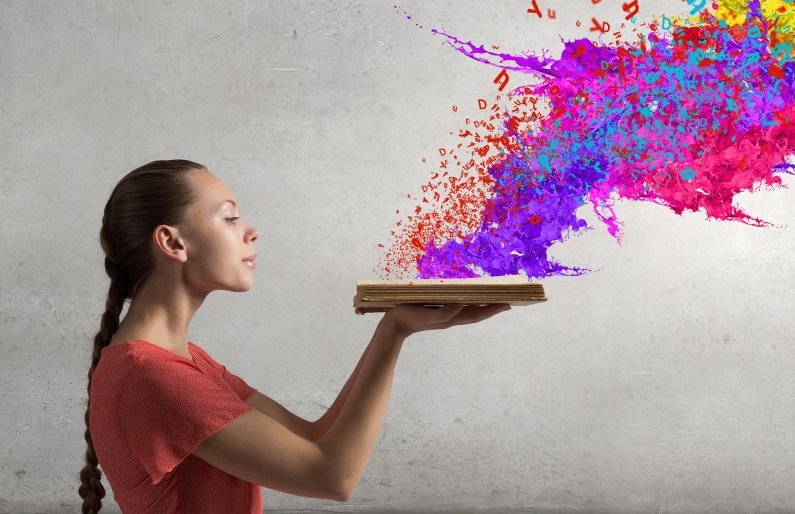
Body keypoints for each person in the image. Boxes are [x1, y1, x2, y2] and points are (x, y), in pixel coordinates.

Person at [78, 159, 509, 513]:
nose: (251, 230)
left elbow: (314, 439)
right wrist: (394, 329)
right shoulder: (154, 378)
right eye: (229, 217)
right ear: (172, 243)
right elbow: (332, 477)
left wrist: (394, 331)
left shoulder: (184, 361)